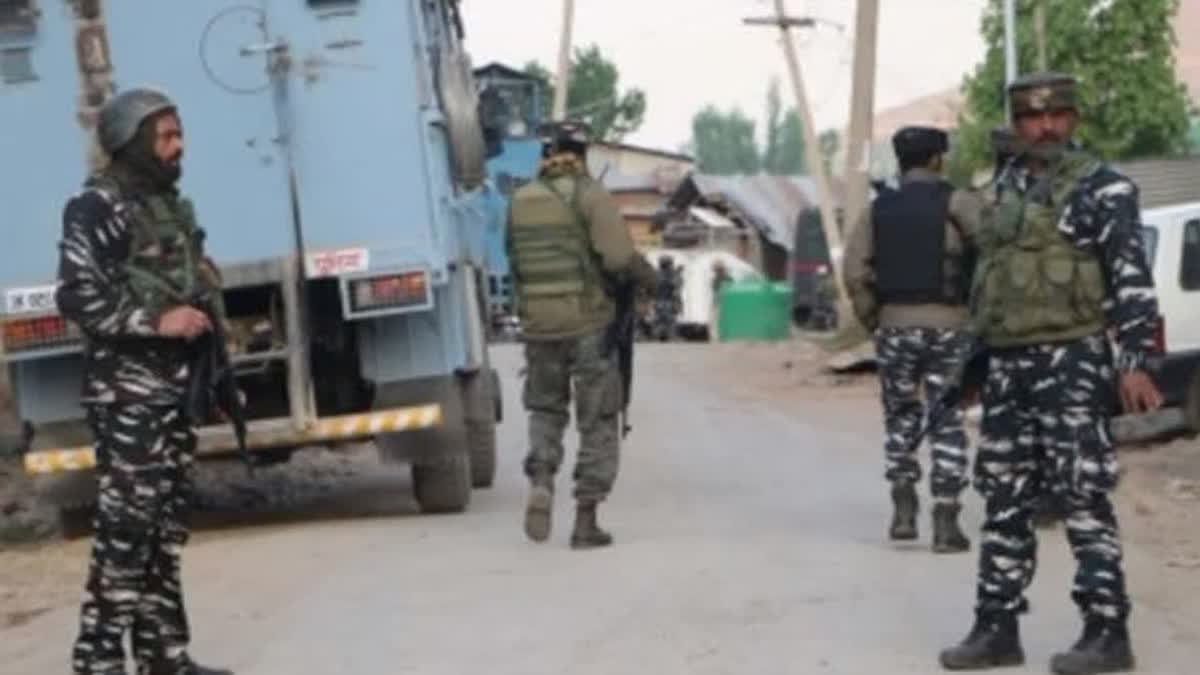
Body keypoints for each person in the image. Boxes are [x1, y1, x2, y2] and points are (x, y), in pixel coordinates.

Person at [938, 72, 1163, 673]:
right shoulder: (1000, 193)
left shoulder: (1103, 190)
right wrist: (973, 366)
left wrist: (1135, 362)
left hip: (1073, 361)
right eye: (1033, 119)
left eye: (1057, 116)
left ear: (1073, 120)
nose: (1045, 128)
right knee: (1003, 496)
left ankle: (1107, 631)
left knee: (1082, 492)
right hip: (1009, 366)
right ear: (1015, 125)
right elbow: (989, 287)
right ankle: (996, 628)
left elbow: (1131, 281)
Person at [55, 87, 233, 675]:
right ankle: (97, 660)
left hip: (175, 390)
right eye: (166, 136)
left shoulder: (166, 204)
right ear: (131, 141)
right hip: (128, 393)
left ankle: (164, 656)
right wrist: (155, 321)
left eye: (178, 133)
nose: (178, 146)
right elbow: (78, 296)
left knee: (164, 529)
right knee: (126, 532)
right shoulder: (95, 207)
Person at [505, 119, 657, 549]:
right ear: (582, 153)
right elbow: (618, 257)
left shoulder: (519, 200)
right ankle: (585, 520)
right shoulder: (590, 196)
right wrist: (651, 281)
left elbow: (514, 262)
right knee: (598, 419)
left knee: (546, 411)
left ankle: (540, 480)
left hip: (538, 327)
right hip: (589, 324)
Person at [842, 125, 980, 554]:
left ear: (901, 162)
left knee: (901, 414)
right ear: (938, 160)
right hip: (950, 326)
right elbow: (991, 253)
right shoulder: (958, 202)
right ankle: (945, 519)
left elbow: (854, 271)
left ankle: (903, 507)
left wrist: (875, 319)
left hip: (895, 326)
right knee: (946, 419)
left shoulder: (878, 209)